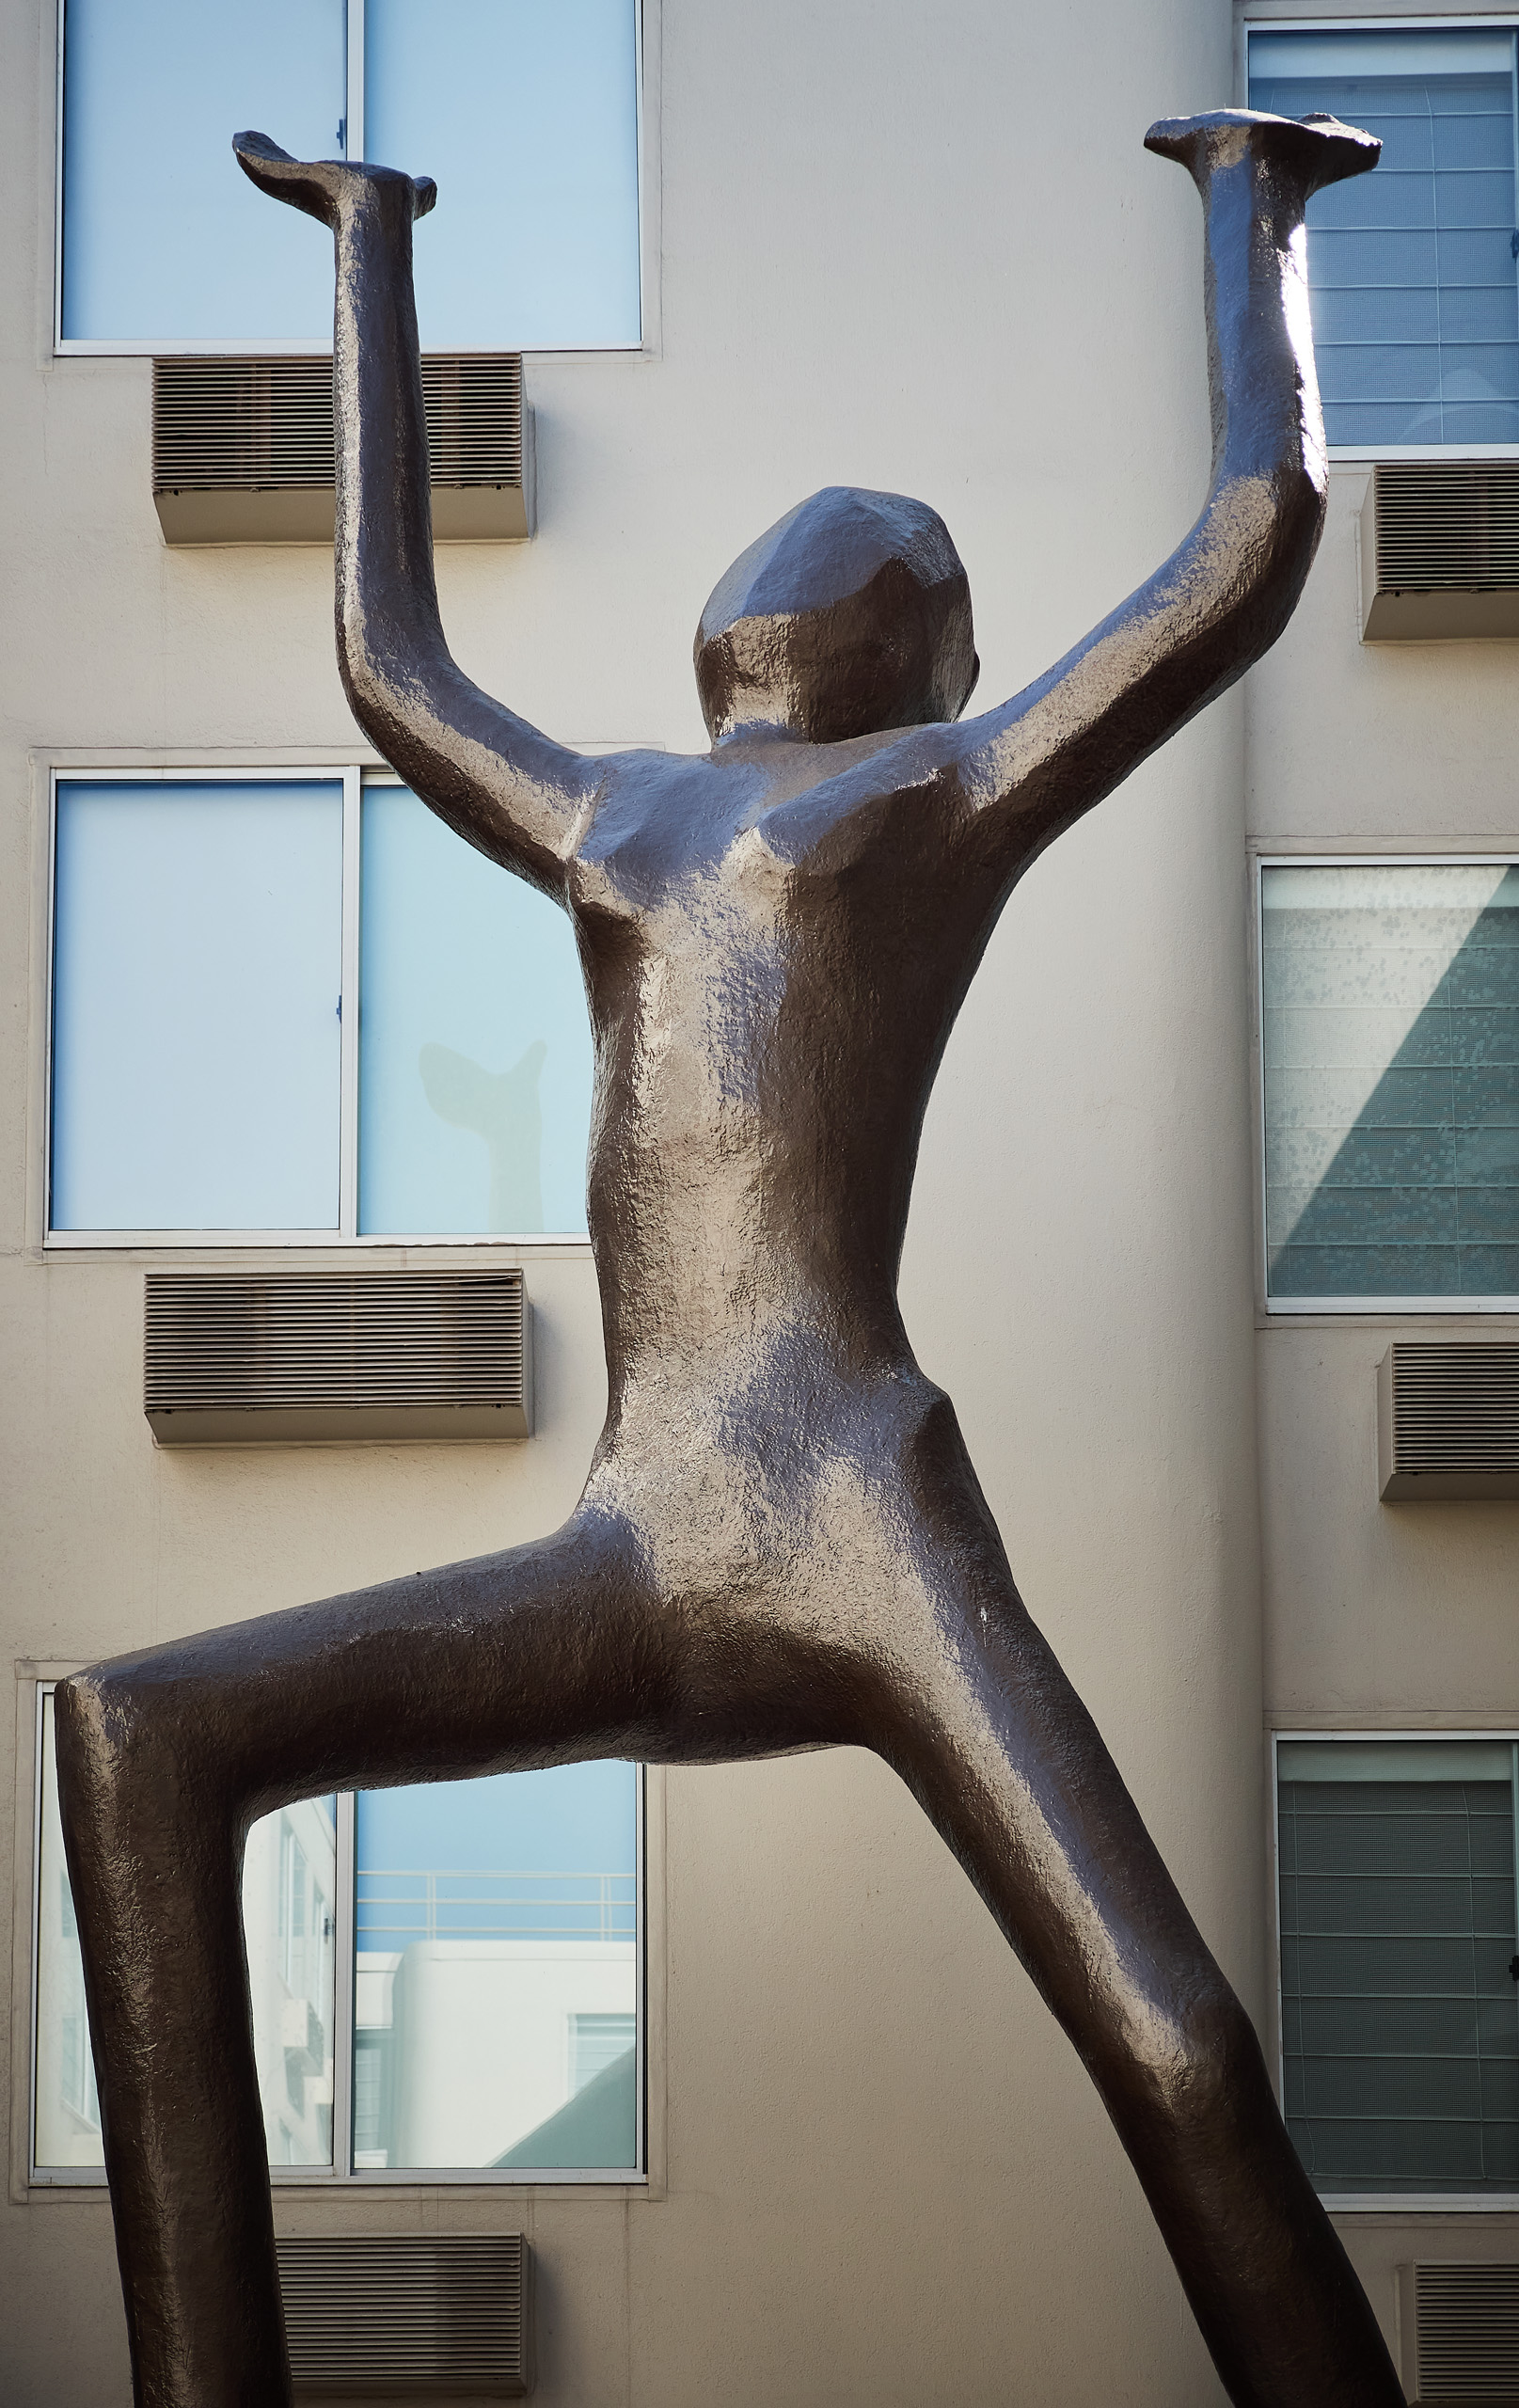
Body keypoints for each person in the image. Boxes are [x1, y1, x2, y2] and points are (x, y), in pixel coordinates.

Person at [56, 108, 1403, 2408]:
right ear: (908, 634)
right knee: (137, 1731)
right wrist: (373, 257)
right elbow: (389, 666)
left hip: (859, 1510)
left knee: (1177, 2046)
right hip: (655, 1535)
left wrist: (1249, 208)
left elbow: (1247, 552)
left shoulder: (920, 799)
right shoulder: (636, 815)